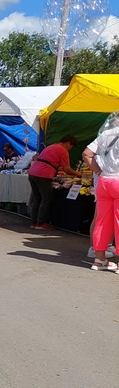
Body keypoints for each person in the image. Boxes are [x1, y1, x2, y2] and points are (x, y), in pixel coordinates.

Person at [85, 112, 119, 271]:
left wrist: (99, 172)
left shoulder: (105, 134)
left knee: (102, 221)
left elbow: (87, 154)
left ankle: (99, 260)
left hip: (104, 182)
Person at [27, 135, 80, 230]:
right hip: (43, 175)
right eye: (71, 146)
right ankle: (40, 223)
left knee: (37, 198)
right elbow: (67, 169)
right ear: (68, 143)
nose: (70, 148)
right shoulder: (63, 150)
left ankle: (33, 222)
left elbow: (53, 163)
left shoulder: (51, 146)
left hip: (32, 173)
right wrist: (78, 173)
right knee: (46, 199)